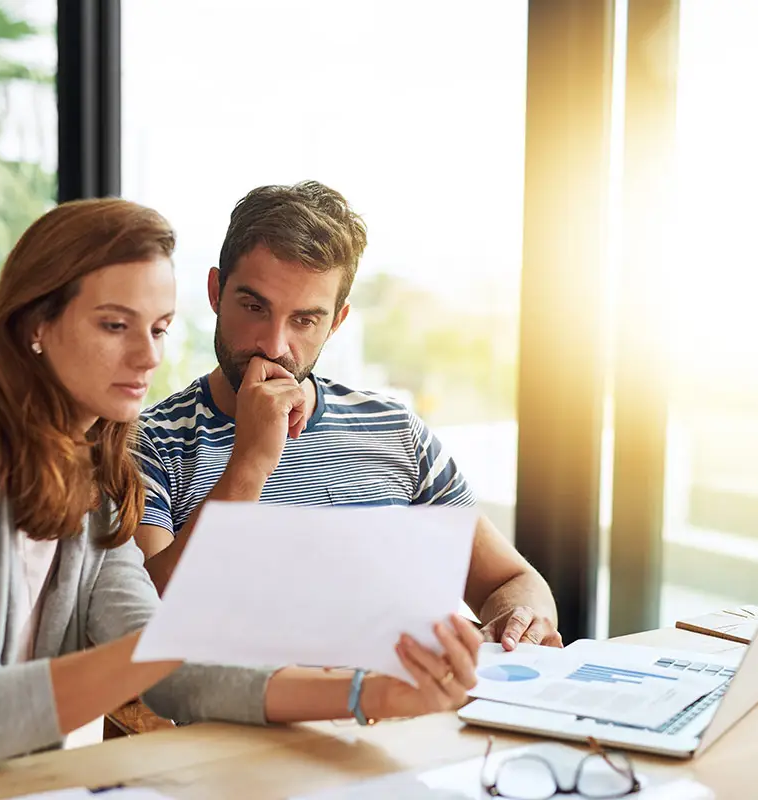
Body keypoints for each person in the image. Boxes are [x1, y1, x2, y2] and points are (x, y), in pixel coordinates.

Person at [0, 198, 483, 799]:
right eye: (115, 325)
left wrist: (372, 690)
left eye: (158, 328)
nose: (148, 357)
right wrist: (197, 624)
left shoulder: (98, 478)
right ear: (36, 324)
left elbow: (175, 672)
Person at [134, 181, 561, 649]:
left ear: (336, 322)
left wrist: (522, 621)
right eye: (254, 307)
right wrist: (251, 463)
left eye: (305, 320)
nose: (274, 345)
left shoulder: (396, 432)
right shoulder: (149, 444)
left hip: (401, 716)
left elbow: (512, 582)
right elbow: (143, 625)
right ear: (217, 292)